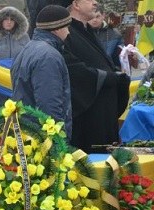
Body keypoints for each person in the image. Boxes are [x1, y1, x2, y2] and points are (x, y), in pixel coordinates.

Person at [64, 0, 130, 153]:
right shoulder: (67, 31)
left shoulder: (85, 29)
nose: (95, 3)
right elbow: (74, 69)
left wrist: (116, 74)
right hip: (89, 116)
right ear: (76, 4)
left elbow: (101, 61)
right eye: (90, 0)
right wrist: (107, 77)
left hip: (104, 111)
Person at [11, 5, 72, 138]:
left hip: (27, 131)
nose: (68, 32)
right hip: (43, 138)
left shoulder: (27, 49)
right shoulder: (49, 56)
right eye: (66, 27)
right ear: (57, 29)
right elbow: (49, 104)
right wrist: (57, 141)